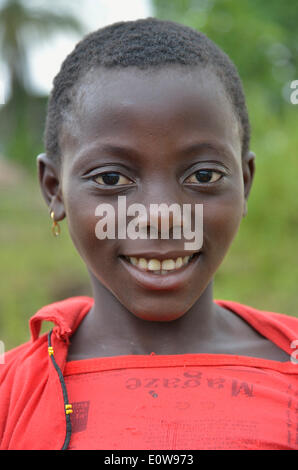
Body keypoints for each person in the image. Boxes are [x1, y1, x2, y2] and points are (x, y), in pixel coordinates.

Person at [0, 17, 297, 451]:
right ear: (54, 189)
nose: (161, 216)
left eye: (204, 174)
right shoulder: (14, 394)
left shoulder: (287, 367)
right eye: (110, 180)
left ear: (245, 183)